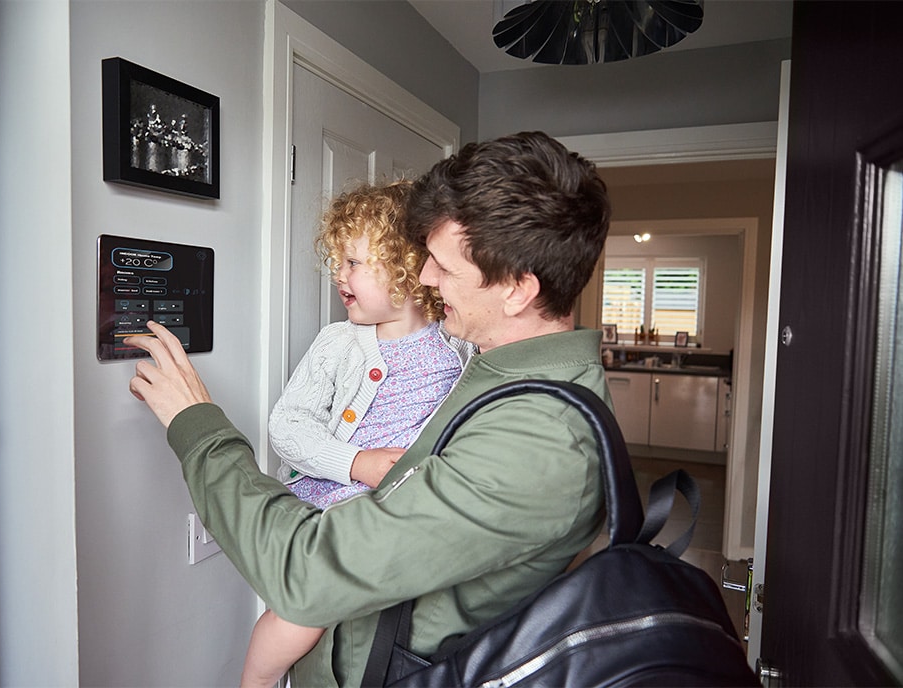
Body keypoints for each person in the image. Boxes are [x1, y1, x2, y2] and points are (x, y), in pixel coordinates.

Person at [127, 130, 612, 687]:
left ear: (517, 289)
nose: (425, 277)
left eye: (444, 267)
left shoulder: (541, 437)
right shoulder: (499, 372)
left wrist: (196, 425)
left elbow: (307, 572)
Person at [240, 180, 476, 687]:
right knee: (302, 613)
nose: (338, 274)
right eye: (338, 261)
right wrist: (357, 463)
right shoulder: (338, 344)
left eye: (353, 262)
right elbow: (287, 425)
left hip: (402, 514)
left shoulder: (459, 348)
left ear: (408, 268)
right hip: (333, 502)